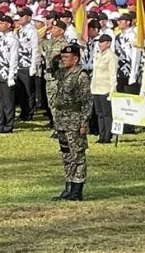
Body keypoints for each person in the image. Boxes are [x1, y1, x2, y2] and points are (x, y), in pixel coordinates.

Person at [50, 43, 92, 201]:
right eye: (63, 57)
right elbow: (52, 69)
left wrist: (84, 122)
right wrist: (56, 57)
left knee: (77, 155)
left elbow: (87, 101)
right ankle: (68, 186)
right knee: (66, 154)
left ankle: (77, 188)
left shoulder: (81, 76)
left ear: (75, 59)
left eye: (67, 57)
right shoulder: (63, 73)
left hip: (75, 119)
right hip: (62, 120)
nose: (63, 60)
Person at [91, 34, 118, 143]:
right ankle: (101, 135)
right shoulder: (98, 55)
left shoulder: (111, 56)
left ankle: (108, 135)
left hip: (106, 88)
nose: (100, 44)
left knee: (107, 114)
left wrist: (112, 90)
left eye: (102, 42)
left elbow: (113, 75)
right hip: (96, 88)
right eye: (99, 42)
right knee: (99, 113)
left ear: (108, 43)